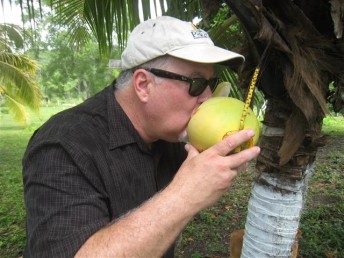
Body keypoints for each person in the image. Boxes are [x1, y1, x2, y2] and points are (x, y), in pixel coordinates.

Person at [22, 16, 260, 257]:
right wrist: (186, 194)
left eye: (210, 82)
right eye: (196, 83)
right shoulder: (63, 145)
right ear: (144, 85)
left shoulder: (173, 136)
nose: (207, 97)